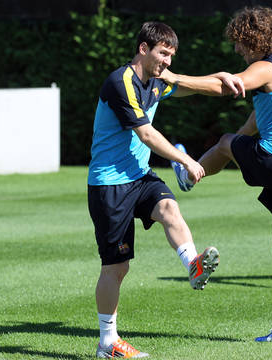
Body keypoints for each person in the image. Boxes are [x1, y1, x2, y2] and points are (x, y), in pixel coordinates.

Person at [163, 6, 272, 344]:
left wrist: (174, 80)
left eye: (240, 42)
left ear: (254, 39)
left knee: (222, 142)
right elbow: (256, 119)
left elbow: (230, 87)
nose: (237, 49)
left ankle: (189, 175)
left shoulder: (265, 67)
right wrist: (237, 141)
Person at [87, 21, 243, 358]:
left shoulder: (156, 81)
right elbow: (146, 134)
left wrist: (221, 78)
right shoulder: (121, 82)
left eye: (171, 55)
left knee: (170, 208)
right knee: (116, 268)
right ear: (143, 49)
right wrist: (185, 159)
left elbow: (188, 87)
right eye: (163, 53)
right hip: (110, 185)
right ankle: (107, 342)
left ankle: (193, 265)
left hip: (139, 177)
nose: (167, 61)